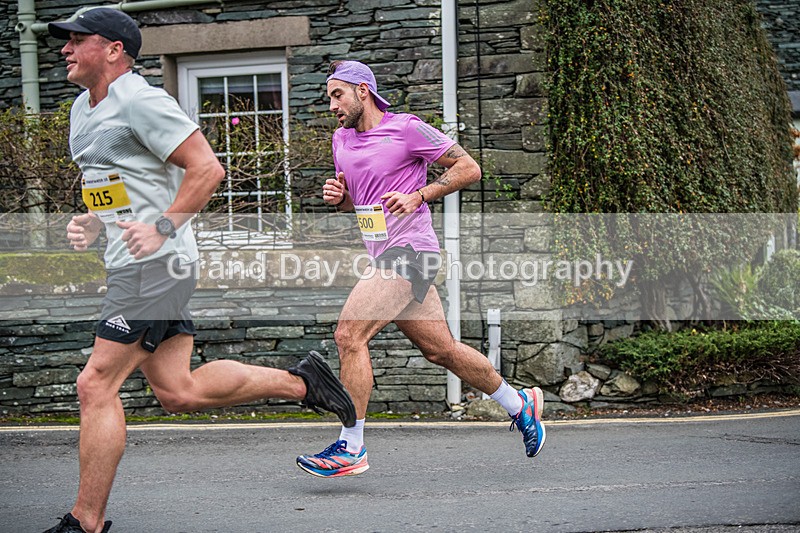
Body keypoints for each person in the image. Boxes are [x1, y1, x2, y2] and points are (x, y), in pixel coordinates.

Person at [43, 9, 355, 533]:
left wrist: (163, 227)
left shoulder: (142, 100)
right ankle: (303, 383)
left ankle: (86, 522)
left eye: (77, 40)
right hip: (130, 262)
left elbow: (208, 168)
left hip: (156, 265)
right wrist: (96, 221)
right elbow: (117, 181)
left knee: (95, 384)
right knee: (177, 390)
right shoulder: (82, 109)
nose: (65, 49)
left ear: (115, 48)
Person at [295, 60, 545, 478]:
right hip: (384, 256)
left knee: (349, 334)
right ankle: (520, 405)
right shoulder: (341, 139)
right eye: (328, 98)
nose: (332, 105)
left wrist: (420, 195)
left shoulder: (407, 128)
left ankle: (351, 446)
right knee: (440, 349)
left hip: (412, 251)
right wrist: (337, 197)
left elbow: (469, 168)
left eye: (337, 94)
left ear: (362, 91)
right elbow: (358, 202)